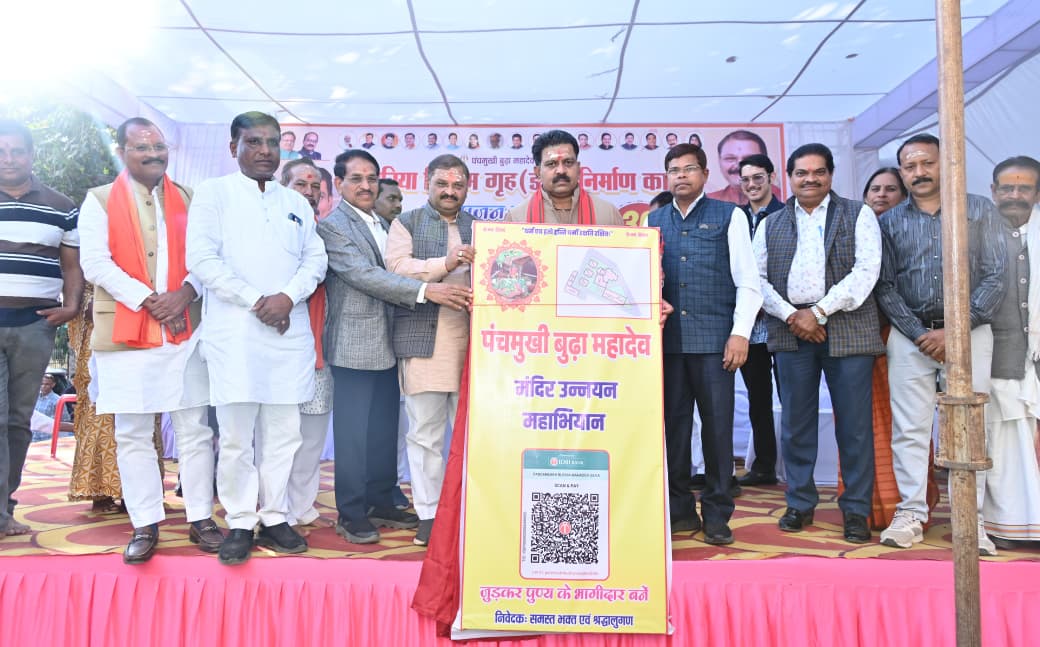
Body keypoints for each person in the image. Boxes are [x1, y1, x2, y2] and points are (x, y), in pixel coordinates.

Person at [186, 111, 328, 565]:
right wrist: (258, 301)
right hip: (236, 331)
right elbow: (202, 259)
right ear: (234, 148)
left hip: (288, 329)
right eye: (253, 142)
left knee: (285, 432)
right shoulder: (214, 193)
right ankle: (241, 521)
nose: (265, 150)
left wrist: (286, 298)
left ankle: (276, 515)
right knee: (235, 435)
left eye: (272, 142)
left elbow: (315, 260)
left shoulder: (296, 201)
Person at [79, 117, 221, 563]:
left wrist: (186, 292)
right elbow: (95, 263)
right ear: (122, 151)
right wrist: (148, 299)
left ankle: (201, 517)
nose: (153, 153)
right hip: (127, 328)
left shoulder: (191, 198)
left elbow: (210, 256)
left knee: (195, 428)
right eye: (142, 147)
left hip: (186, 330)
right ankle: (144, 522)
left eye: (159, 146)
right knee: (134, 432)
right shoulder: (99, 200)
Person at [317, 149, 471, 545]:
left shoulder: (385, 222)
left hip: (391, 340)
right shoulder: (334, 226)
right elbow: (365, 275)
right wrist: (426, 290)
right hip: (355, 342)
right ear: (339, 183)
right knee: (353, 432)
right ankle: (351, 512)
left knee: (384, 429)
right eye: (356, 179)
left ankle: (381, 499)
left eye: (371, 178)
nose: (366, 185)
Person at [876, 134, 1006, 554]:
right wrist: (919, 334)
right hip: (910, 337)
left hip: (970, 335)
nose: (919, 172)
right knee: (910, 428)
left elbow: (997, 275)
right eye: (910, 166)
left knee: (970, 426)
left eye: (927, 163)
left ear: (945, 162)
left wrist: (956, 331)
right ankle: (911, 513)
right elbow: (885, 285)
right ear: (901, 172)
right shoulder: (889, 222)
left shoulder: (979, 210)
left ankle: (972, 519)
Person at [753, 143, 883, 544]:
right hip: (790, 329)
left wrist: (819, 312)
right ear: (788, 178)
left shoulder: (857, 214)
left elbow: (867, 270)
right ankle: (799, 503)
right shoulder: (770, 223)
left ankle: (856, 510)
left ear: (830, 175)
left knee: (855, 426)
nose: (810, 179)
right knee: (796, 423)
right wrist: (794, 316)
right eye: (802, 173)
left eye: (818, 172)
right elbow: (757, 279)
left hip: (847, 326)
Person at [649, 143, 761, 545]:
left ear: (705, 174)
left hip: (715, 343)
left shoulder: (730, 215)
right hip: (667, 345)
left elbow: (748, 281)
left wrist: (740, 333)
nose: (681, 176)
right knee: (673, 432)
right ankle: (679, 510)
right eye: (674, 170)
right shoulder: (652, 220)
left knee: (716, 432)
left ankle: (716, 514)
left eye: (689, 169)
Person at [385, 154, 474, 547]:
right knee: (425, 434)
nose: (450, 192)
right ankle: (429, 513)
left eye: (457, 185)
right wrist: (445, 262)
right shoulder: (406, 223)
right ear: (428, 184)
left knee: (473, 436)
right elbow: (396, 269)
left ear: (467, 187)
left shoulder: (481, 228)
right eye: (442, 184)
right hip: (424, 343)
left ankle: (470, 510)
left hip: (476, 348)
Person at [0, 119, 83, 538]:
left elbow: (72, 266)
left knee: (18, 421)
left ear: (32, 155)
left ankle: (5, 504)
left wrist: (72, 306)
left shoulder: (61, 206)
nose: (9, 159)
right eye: (1, 152)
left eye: (17, 151)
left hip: (35, 325)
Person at [982, 156, 1040, 549]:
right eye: (1007, 188)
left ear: (1037, 193)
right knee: (1002, 444)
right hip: (997, 356)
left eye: (1024, 188)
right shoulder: (978, 234)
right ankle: (1006, 526)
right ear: (994, 191)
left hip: (1034, 355)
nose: (1014, 195)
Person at [858, 167, 920, 530]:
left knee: (906, 422)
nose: (881, 195)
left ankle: (909, 505)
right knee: (866, 423)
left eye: (890, 189)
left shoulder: (911, 233)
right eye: (875, 188)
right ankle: (869, 506)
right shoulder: (854, 230)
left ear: (904, 197)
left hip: (903, 336)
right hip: (860, 338)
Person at [279, 157, 335, 535]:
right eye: (301, 184)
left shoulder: (326, 233)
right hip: (281, 345)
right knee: (282, 435)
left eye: (317, 188)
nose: (310, 192)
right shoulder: (270, 232)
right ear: (283, 187)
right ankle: (278, 508)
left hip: (321, 349)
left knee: (312, 435)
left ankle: (302, 505)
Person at [735, 154, 784, 486]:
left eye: (758, 178)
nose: (752, 185)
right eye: (746, 180)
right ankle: (764, 466)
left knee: (792, 399)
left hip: (783, 321)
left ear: (771, 177)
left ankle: (795, 468)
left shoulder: (786, 215)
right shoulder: (736, 218)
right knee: (758, 399)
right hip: (751, 327)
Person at [505, 130, 623, 226]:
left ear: (578, 168)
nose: (561, 171)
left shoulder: (607, 214)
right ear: (537, 172)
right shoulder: (517, 218)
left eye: (568, 162)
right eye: (551, 164)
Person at [708, 130, 782, 206]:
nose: (739, 165)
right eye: (730, 158)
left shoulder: (783, 199)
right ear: (719, 161)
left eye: (748, 158)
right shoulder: (710, 202)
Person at [33, 373, 72, 441]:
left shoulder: (57, 400)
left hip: (48, 438)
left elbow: (64, 419)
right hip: (33, 437)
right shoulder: (34, 397)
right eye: (42, 384)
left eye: (47, 384)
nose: (43, 386)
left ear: (53, 385)